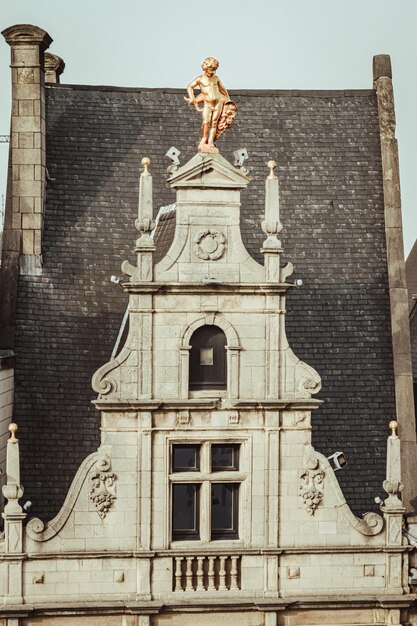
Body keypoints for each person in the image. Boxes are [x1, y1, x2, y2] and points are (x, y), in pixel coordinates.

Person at [185, 57, 235, 150]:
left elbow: (223, 90)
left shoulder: (216, 78)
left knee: (214, 123)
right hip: (207, 103)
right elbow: (189, 87)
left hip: (218, 102)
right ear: (206, 68)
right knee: (206, 122)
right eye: (211, 69)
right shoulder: (200, 79)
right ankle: (204, 139)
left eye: (214, 70)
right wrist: (192, 98)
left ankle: (210, 141)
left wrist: (228, 102)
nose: (213, 72)